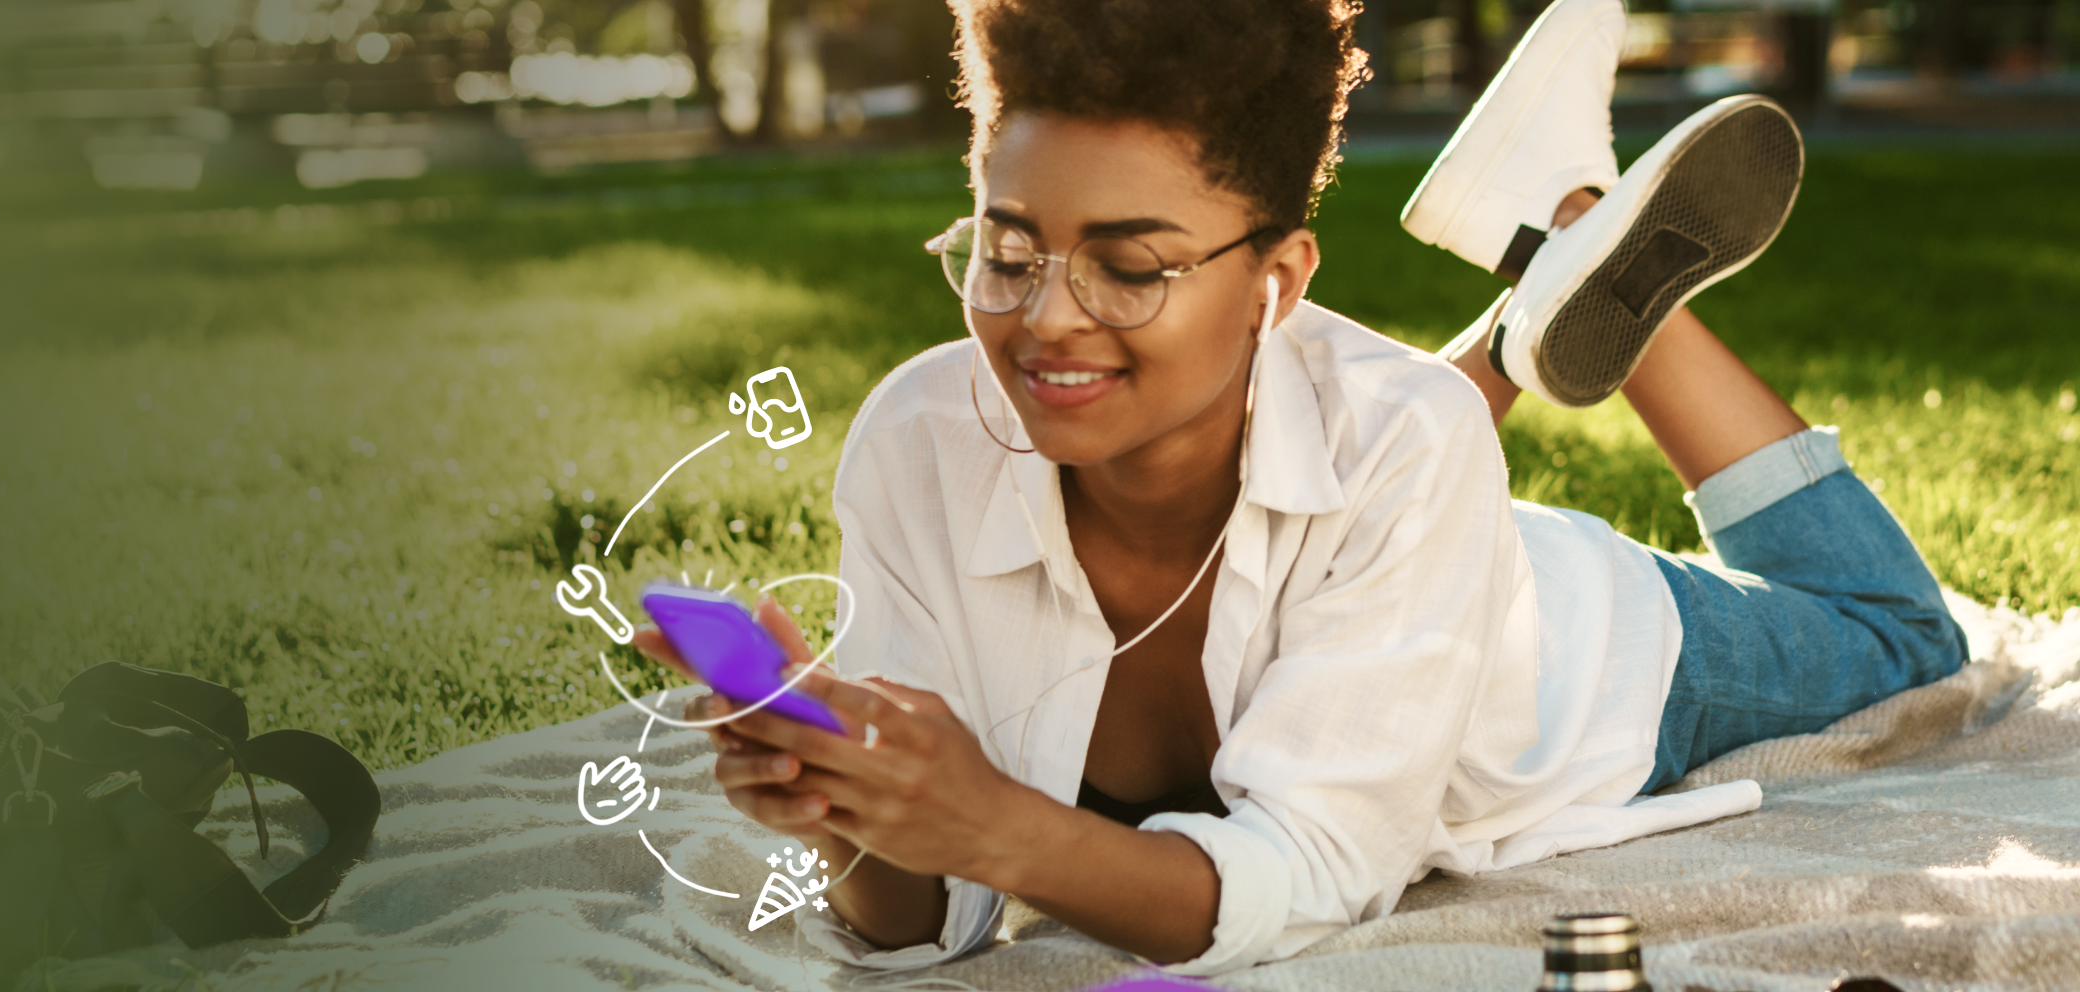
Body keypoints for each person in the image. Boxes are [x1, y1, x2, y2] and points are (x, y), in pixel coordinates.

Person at [630, 0, 1968, 975]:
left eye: (1132, 265)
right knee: (1372, 417)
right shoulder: (919, 437)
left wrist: (997, 824)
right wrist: (850, 813)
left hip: (1568, 650)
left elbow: (1315, 874)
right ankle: (1531, 303)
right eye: (1008, 248)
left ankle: (1574, 238)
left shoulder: (1407, 446)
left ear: (1278, 281)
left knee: (1903, 634)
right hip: (1387, 491)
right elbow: (928, 925)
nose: (1044, 321)